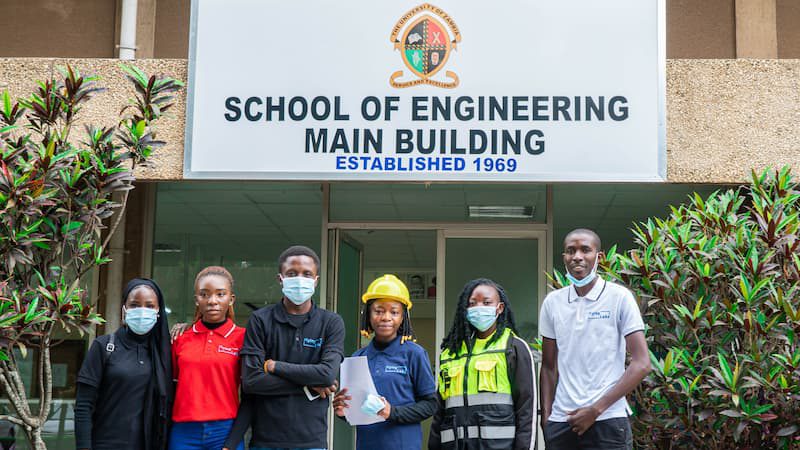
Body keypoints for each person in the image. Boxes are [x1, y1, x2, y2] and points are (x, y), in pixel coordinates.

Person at [539, 228, 651, 450]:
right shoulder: (553, 302)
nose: (577, 256)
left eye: (585, 250)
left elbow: (642, 363)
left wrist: (595, 410)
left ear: (598, 257)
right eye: (571, 251)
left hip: (607, 420)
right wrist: (547, 419)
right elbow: (549, 367)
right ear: (564, 258)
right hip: (562, 423)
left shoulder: (619, 298)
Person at [229, 245, 344, 450]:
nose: (299, 279)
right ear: (280, 279)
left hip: (312, 441)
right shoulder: (261, 320)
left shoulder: (331, 322)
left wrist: (275, 366)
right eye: (292, 273)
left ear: (316, 280)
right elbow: (252, 381)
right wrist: (308, 384)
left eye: (307, 274)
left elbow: (326, 375)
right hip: (266, 441)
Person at [428, 278, 538, 450]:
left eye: (486, 302)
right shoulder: (450, 353)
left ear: (500, 308)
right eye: (472, 304)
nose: (479, 308)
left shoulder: (513, 347)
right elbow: (439, 411)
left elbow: (526, 409)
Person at [332, 275, 437, 450]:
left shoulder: (414, 354)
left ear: (403, 317)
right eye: (378, 311)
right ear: (368, 314)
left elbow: (431, 405)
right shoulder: (358, 357)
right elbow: (355, 409)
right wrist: (343, 412)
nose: (386, 317)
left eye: (394, 312)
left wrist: (393, 412)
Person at [75, 278, 173, 450]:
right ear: (124, 310)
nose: (142, 311)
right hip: (106, 444)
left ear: (158, 311)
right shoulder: (103, 346)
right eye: (135, 305)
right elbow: (84, 405)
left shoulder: (163, 354)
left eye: (150, 306)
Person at [170, 266, 245, 450]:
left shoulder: (243, 337)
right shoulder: (180, 338)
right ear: (197, 300)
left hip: (225, 430)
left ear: (231, 299)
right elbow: (170, 384)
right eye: (204, 295)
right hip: (184, 431)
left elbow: (252, 391)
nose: (212, 301)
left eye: (220, 294)